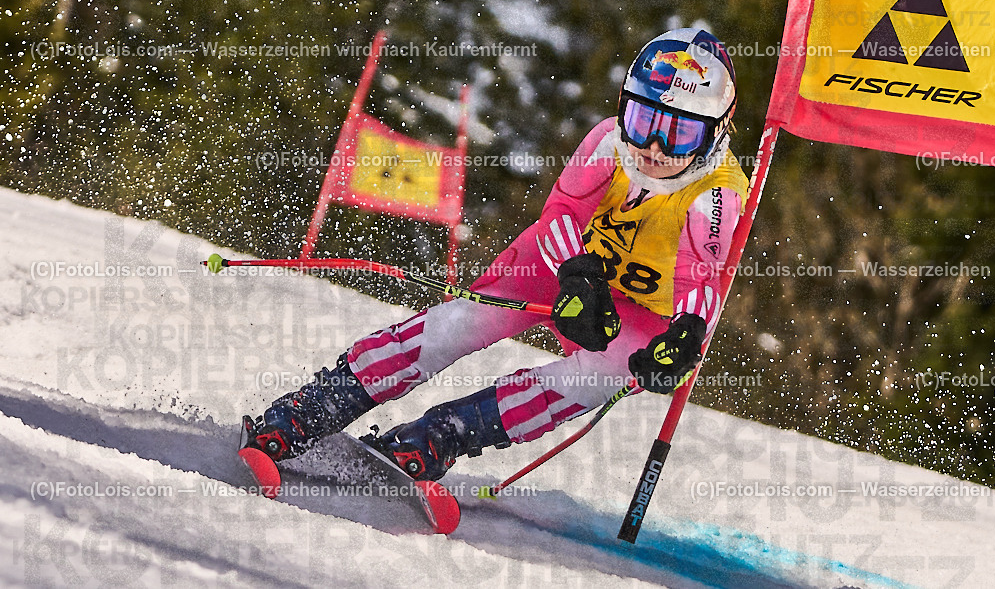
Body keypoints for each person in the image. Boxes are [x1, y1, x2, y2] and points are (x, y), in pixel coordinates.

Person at [241, 28, 749, 481]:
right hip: (563, 263)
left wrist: (685, 337)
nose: (653, 147)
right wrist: (578, 278)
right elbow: (560, 217)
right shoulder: (609, 144)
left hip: (641, 308)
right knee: (463, 323)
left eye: (678, 132)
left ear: (715, 134)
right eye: (642, 120)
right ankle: (310, 409)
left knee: (596, 379)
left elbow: (700, 282)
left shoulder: (716, 193)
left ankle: (444, 435)